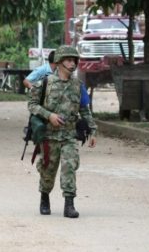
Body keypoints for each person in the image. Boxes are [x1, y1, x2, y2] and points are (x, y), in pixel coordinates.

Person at [28, 45, 97, 218]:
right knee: (47, 171)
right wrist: (49, 115)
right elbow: (32, 105)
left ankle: (69, 204)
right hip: (48, 136)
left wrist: (93, 131)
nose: (72, 63)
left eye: (74, 60)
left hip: (69, 135)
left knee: (69, 167)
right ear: (58, 63)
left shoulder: (77, 85)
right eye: (68, 60)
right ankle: (44, 198)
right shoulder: (45, 83)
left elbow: (84, 109)